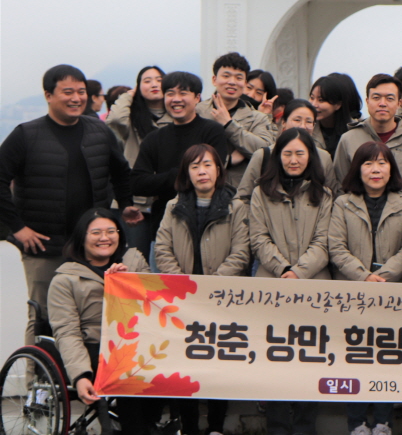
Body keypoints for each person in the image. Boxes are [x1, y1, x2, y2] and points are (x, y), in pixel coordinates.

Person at [0, 64, 138, 345]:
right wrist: (18, 228)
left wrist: (125, 205)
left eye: (81, 91)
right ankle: (38, 382)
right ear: (49, 95)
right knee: (43, 315)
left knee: (96, 312)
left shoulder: (98, 131)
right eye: (68, 92)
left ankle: (83, 380)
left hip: (92, 243)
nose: (77, 98)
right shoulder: (26, 134)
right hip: (43, 243)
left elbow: (121, 170)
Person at [154, 144, 248, 435]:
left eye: (207, 164)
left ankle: (217, 426)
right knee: (185, 365)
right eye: (194, 166)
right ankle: (190, 427)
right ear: (187, 173)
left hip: (221, 300)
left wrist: (211, 286)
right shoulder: (174, 206)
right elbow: (162, 250)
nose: (202, 171)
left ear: (219, 169)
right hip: (183, 301)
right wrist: (183, 284)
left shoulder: (236, 206)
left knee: (218, 363)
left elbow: (241, 252)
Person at [47, 208, 158, 435]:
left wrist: (129, 281)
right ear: (82, 237)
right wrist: (80, 375)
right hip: (96, 349)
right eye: (96, 232)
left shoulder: (134, 262)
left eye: (110, 231)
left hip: (141, 343)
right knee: (130, 371)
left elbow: (156, 306)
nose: (104, 238)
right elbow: (67, 333)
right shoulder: (65, 280)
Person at [249, 127, 331, 435]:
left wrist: (299, 272)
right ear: (277, 157)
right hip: (272, 287)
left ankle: (305, 426)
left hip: (314, 288)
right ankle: (279, 426)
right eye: (287, 153)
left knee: (310, 358)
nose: (293, 160)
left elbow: (325, 242)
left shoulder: (323, 194)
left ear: (310, 156)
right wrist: (284, 268)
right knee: (276, 357)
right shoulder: (261, 193)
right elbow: (258, 238)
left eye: (300, 153)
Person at [329, 142, 402, 435]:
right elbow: (336, 248)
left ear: (392, 168)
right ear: (357, 169)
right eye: (368, 163)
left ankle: (383, 421)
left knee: (386, 356)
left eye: (382, 163)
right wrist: (364, 277)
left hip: (392, 292)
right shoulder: (342, 203)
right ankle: (355, 423)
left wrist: (384, 276)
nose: (375, 169)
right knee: (354, 355)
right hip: (353, 292)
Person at [132, 71, 229, 260]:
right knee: (164, 288)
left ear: (197, 97)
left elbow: (215, 176)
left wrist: (163, 180)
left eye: (183, 93)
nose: (176, 99)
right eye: (170, 94)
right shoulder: (154, 138)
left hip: (208, 226)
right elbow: (137, 183)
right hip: (164, 230)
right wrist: (180, 175)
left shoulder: (212, 131)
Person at [106, 66, 172, 255]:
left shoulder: (176, 117)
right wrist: (130, 94)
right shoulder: (132, 119)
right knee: (136, 258)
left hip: (167, 198)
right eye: (147, 81)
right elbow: (115, 119)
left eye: (159, 80)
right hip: (135, 202)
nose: (153, 85)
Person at [235, 99, 336, 221]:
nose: (303, 126)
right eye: (297, 120)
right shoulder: (263, 155)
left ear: (314, 126)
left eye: (309, 121)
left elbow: (332, 196)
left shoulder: (323, 157)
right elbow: (243, 198)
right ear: (283, 122)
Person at [333, 74, 402, 198]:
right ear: (367, 101)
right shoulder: (348, 139)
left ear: (399, 103)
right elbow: (340, 188)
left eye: (389, 98)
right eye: (376, 98)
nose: (382, 104)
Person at [195, 53, 278, 187]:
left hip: (238, 194)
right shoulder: (197, 111)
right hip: (198, 190)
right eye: (226, 76)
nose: (232, 82)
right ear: (214, 79)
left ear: (244, 83)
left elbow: (265, 151)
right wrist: (229, 160)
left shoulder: (257, 118)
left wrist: (229, 124)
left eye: (238, 77)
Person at [309, 74, 360, 155]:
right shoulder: (307, 129)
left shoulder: (355, 132)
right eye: (312, 98)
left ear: (338, 105)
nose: (314, 104)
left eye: (321, 100)